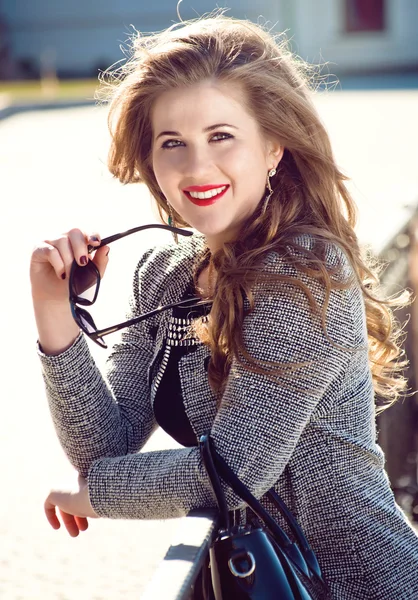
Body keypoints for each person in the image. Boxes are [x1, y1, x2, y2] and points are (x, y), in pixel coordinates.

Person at [30, 13, 418, 599]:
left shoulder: (305, 273)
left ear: (273, 146)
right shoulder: (163, 276)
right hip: (261, 579)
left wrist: (97, 493)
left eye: (221, 136)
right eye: (172, 144)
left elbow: (235, 474)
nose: (196, 167)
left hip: (360, 582)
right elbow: (101, 447)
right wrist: (56, 313)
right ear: (151, 162)